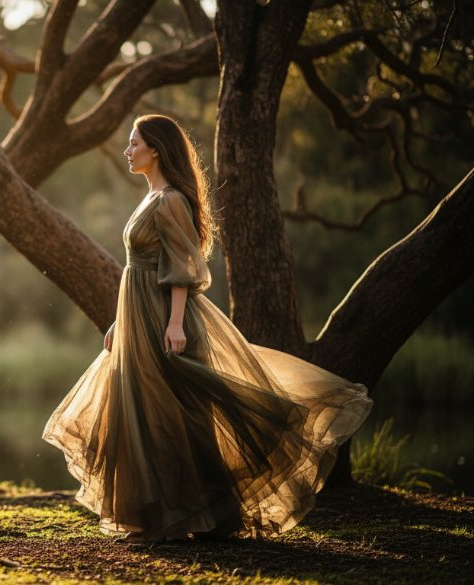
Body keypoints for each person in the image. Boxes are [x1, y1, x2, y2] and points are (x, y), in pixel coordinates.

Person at [42, 114, 373, 543]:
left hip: (162, 319)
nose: (127, 150)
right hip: (139, 317)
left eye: (134, 143)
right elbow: (140, 268)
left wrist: (175, 323)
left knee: (174, 417)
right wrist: (119, 322)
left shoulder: (170, 201)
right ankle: (157, 517)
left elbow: (181, 267)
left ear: (156, 149)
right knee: (146, 413)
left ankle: (189, 517)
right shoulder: (151, 198)